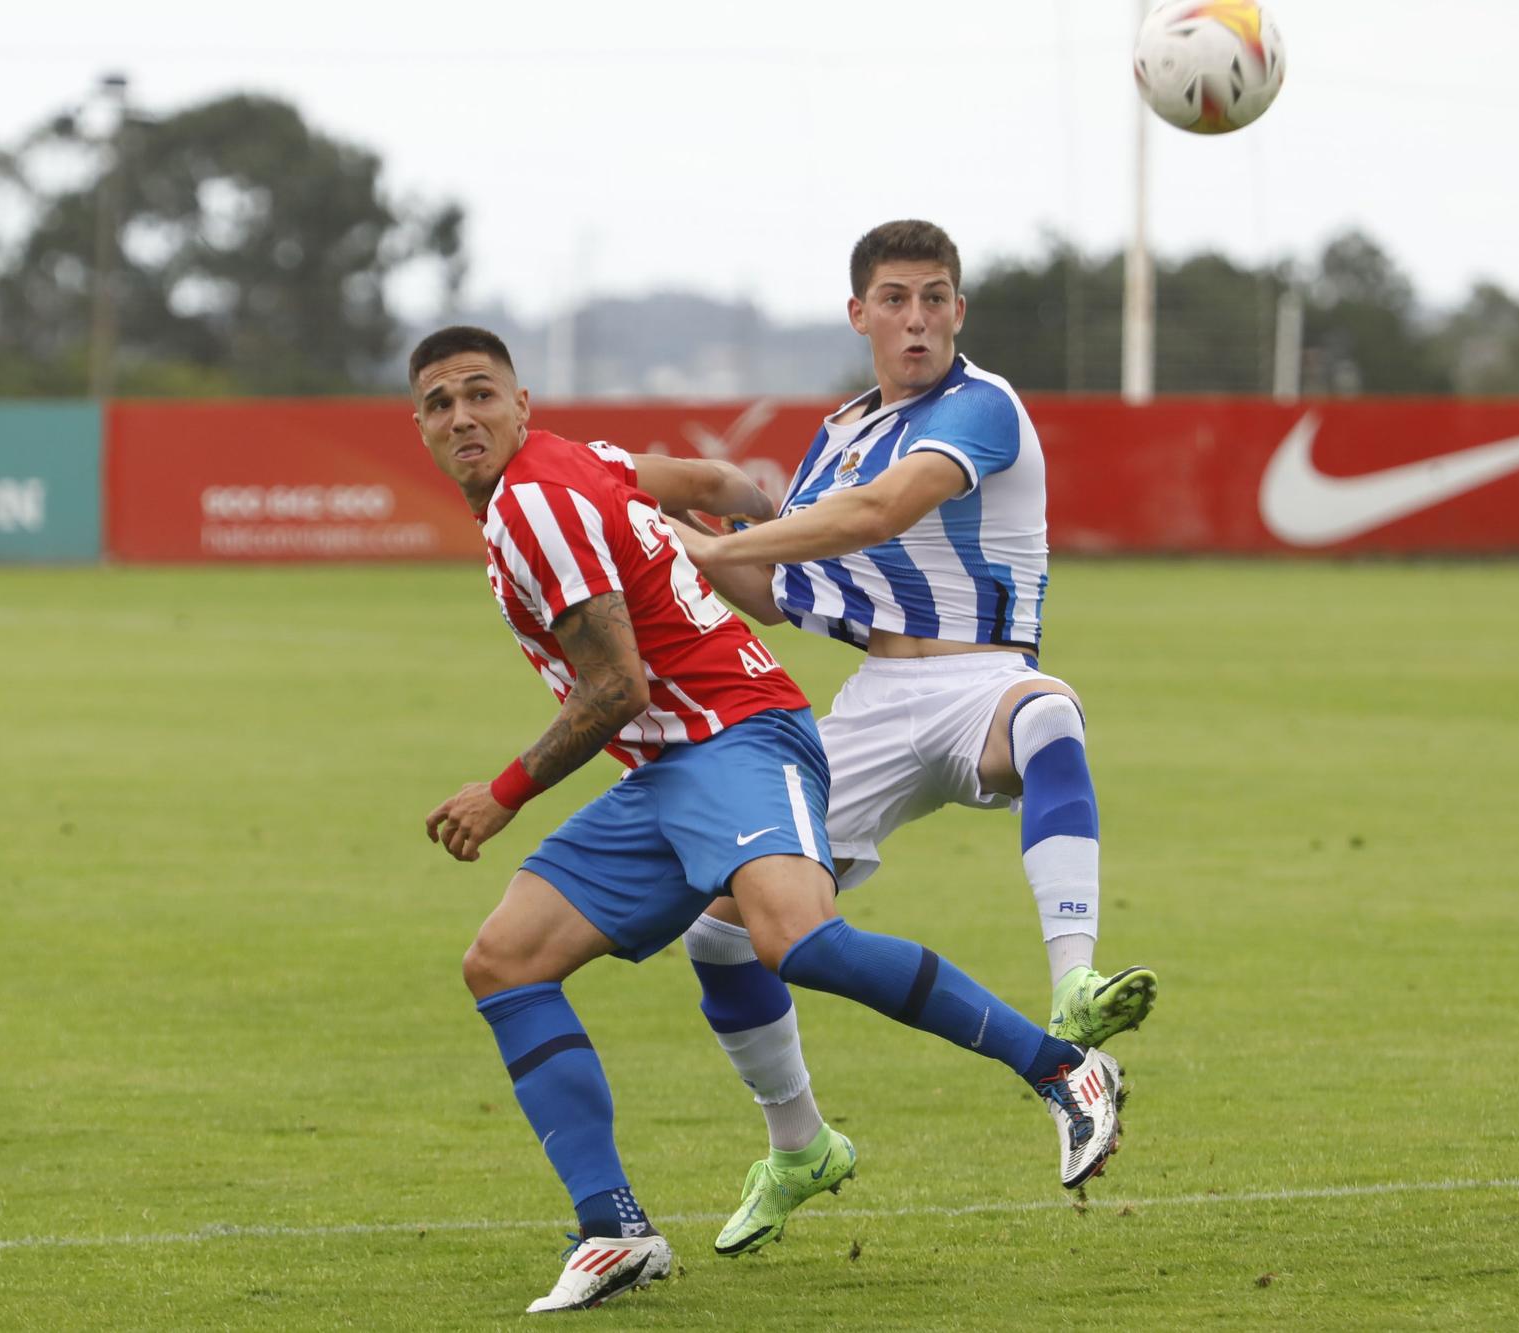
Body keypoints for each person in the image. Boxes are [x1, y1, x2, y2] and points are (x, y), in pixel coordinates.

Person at [415, 324, 1123, 1314]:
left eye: (480, 394)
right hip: (670, 766)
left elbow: (615, 685)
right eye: (440, 404)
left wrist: (501, 793)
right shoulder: (582, 459)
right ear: (423, 429)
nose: (462, 417)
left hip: (736, 736)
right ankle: (613, 1228)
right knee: (504, 963)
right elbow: (709, 479)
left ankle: (1063, 1068)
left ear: (518, 404)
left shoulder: (534, 503)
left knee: (798, 940)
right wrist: (765, 514)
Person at [660, 220, 1159, 1256]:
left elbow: (878, 514)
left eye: (934, 296)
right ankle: (798, 1143)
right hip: (874, 699)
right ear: (858, 315)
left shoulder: (980, 405)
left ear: (957, 312)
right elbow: (776, 588)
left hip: (981, 676)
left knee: (1049, 713)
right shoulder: (838, 432)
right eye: (894, 297)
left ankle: (1073, 985)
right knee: (720, 930)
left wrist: (721, 540)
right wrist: (667, 538)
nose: (916, 316)